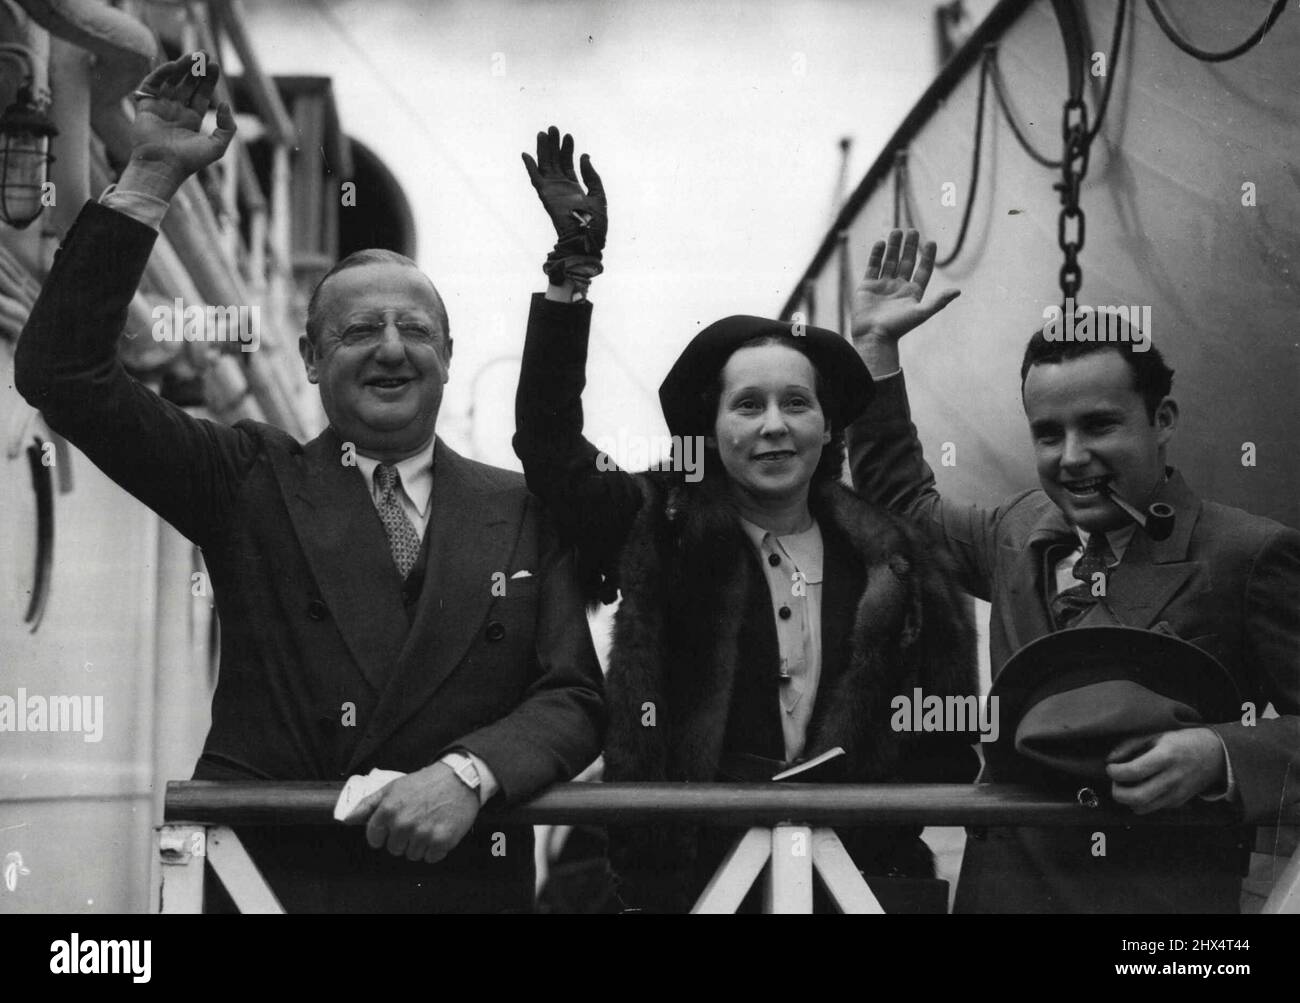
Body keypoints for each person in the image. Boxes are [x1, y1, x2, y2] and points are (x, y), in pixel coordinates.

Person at [14, 56, 604, 913]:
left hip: (462, 887)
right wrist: (148, 173)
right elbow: (63, 373)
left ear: (448, 356)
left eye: (415, 329)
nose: (392, 347)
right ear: (312, 359)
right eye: (361, 328)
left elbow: (575, 692)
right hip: (278, 885)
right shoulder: (247, 479)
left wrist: (470, 774)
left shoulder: (522, 506)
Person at [514, 129, 979, 913]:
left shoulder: (892, 558)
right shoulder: (655, 522)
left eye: (797, 403)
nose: (774, 426)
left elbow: (945, 744)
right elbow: (550, 443)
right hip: (693, 880)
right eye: (748, 405)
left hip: (856, 883)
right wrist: (571, 276)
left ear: (828, 426)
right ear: (713, 426)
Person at [847, 228, 1300, 913]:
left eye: (1100, 425)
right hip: (1002, 897)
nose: (1073, 456)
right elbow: (905, 505)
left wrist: (1222, 752)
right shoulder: (1018, 528)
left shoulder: (1248, 553)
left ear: (1163, 419)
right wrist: (876, 352)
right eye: (1048, 433)